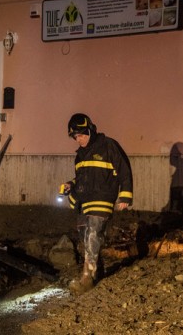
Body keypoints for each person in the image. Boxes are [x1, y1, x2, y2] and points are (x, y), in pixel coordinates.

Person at [61, 113, 133, 295]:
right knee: (86, 238)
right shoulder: (79, 156)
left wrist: (124, 197)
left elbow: (124, 170)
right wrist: (71, 185)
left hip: (102, 198)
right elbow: (81, 179)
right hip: (84, 202)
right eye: (75, 137)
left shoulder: (108, 146)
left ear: (90, 130)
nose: (79, 140)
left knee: (93, 233)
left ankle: (87, 278)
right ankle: (96, 271)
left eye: (81, 135)